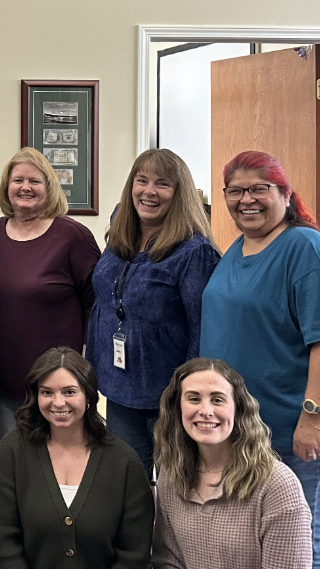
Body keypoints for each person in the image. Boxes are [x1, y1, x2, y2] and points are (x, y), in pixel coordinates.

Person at [200, 150, 320, 569]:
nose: (247, 200)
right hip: (244, 431)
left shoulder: (305, 248)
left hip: (295, 427)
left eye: (259, 189)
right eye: (236, 191)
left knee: (302, 542)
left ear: (285, 195)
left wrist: (315, 416)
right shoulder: (236, 249)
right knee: (255, 541)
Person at [0, 347, 153, 569]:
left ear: (88, 396)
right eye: (46, 392)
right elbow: (5, 546)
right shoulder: (12, 452)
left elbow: (134, 554)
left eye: (69, 391)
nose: (57, 402)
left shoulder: (123, 460)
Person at [86, 148, 221, 478]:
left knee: (178, 487)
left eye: (162, 184)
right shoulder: (121, 226)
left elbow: (202, 328)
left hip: (168, 394)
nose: (148, 191)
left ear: (179, 193)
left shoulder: (194, 250)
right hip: (119, 387)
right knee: (128, 483)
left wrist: (190, 392)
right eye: (141, 180)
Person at [152, 358, 313, 569]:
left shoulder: (277, 487)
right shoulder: (171, 478)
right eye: (193, 398)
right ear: (178, 408)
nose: (205, 411)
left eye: (217, 399)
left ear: (238, 408)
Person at [0, 148, 100, 438]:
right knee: (12, 464)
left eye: (34, 181)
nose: (25, 187)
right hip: (1, 380)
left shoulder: (73, 236)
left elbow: (96, 304)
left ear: (49, 187)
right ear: (6, 187)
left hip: (56, 385)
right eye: (18, 180)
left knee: (55, 464)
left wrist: (85, 363)